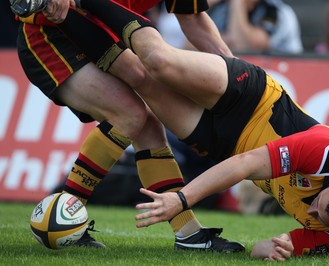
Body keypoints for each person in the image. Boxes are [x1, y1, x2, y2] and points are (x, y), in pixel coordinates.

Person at [19, 0, 329, 260]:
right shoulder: (327, 152)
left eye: (321, 221)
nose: (313, 216)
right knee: (159, 61)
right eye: (319, 208)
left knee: (141, 82)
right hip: (252, 101)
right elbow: (243, 166)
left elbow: (263, 248)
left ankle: (184, 234)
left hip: (221, 142)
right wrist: (182, 199)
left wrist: (274, 249)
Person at [9, 0, 244, 252]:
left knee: (149, 125)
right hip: (49, 34)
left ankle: (188, 233)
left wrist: (237, 77)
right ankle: (63, 215)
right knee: (130, 114)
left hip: (102, 27)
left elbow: (193, 19)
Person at [207, 0, 303, 53]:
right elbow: (196, 40)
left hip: (281, 76)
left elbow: (244, 46)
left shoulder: (278, 12)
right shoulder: (222, 7)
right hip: (242, 76)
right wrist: (205, 4)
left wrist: (237, 3)